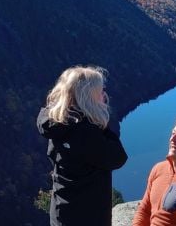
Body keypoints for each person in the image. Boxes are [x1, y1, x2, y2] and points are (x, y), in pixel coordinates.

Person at [37, 66, 128, 226]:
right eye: (100, 91)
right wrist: (101, 122)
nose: (104, 95)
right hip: (87, 215)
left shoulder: (56, 122)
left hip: (61, 210)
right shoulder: (85, 133)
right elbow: (117, 157)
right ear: (88, 97)